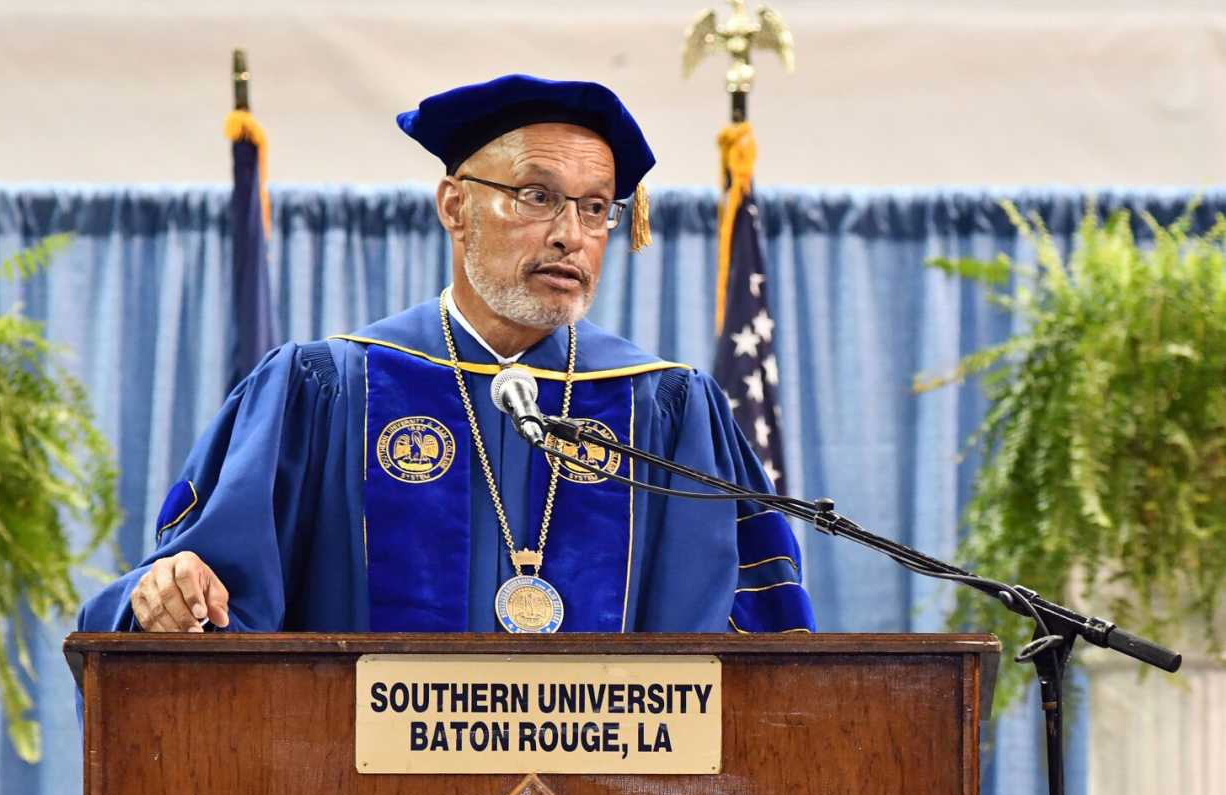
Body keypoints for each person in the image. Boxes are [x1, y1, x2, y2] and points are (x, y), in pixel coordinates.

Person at [78, 74, 814, 636]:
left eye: (596, 208)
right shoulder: (328, 391)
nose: (571, 233)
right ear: (455, 207)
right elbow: (199, 606)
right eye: (537, 196)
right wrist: (165, 593)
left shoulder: (666, 409)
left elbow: (757, 647)